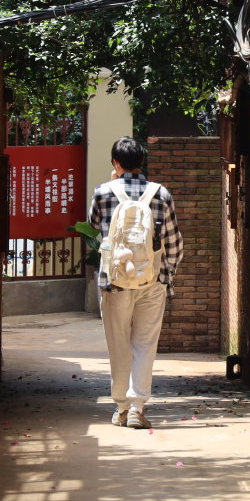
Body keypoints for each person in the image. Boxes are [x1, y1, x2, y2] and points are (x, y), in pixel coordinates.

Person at [89, 137, 183, 428]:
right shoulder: (161, 194)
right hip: (151, 281)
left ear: (116, 163)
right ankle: (137, 409)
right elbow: (174, 244)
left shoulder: (103, 193)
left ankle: (120, 407)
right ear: (142, 162)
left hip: (114, 281)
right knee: (144, 344)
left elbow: (94, 226)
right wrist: (165, 277)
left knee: (118, 344)